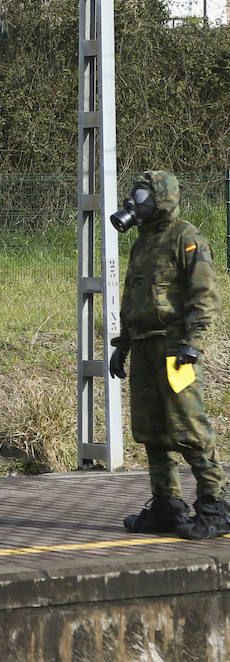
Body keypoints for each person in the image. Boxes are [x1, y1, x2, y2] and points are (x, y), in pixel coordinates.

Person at [110, 170, 228, 540]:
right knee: (153, 431)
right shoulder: (142, 242)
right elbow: (134, 298)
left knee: (190, 429)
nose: (136, 203)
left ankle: (215, 506)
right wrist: (124, 345)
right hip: (144, 347)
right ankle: (167, 505)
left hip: (175, 351)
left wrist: (194, 343)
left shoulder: (187, 238)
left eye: (144, 197)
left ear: (162, 199)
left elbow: (204, 296)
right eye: (135, 196)